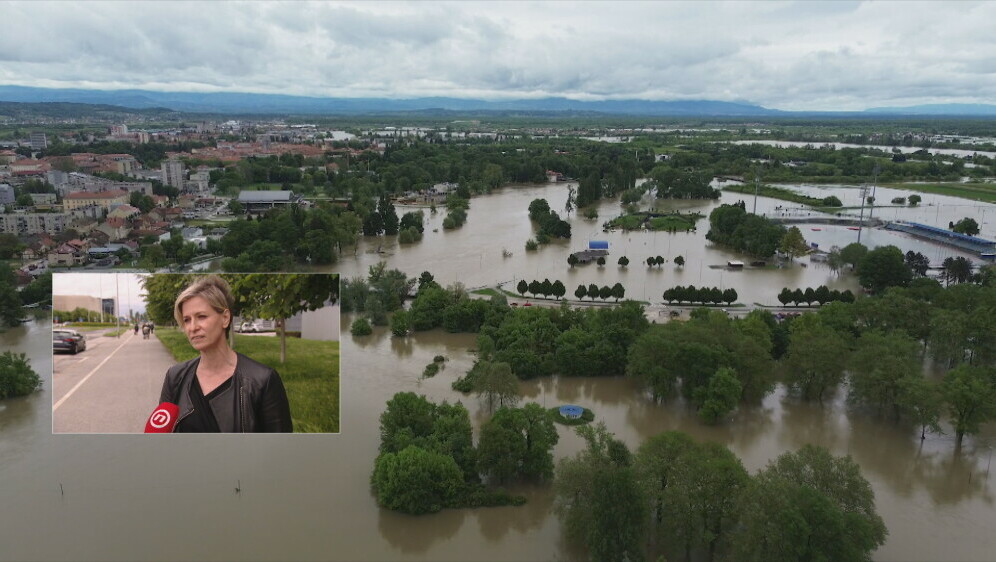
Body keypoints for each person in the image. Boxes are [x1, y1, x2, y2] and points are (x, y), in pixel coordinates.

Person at [158, 275, 292, 433]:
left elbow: (279, 446)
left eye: (201, 317)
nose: (192, 327)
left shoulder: (262, 381)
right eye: (187, 320)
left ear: (225, 318)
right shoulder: (175, 377)